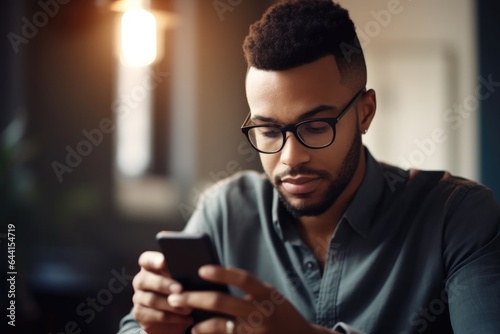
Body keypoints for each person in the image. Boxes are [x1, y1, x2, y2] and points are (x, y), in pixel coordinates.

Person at [118, 1, 500, 333]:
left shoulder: (457, 216)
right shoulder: (226, 211)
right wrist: (154, 327)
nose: (291, 157)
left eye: (316, 127)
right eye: (268, 130)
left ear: (365, 113)